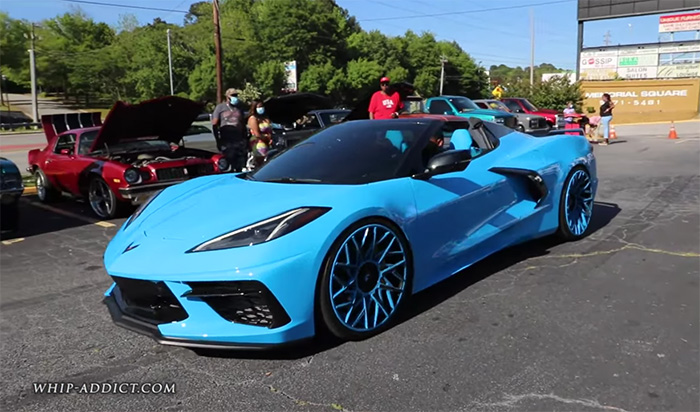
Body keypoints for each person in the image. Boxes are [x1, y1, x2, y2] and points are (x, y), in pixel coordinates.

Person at [212, 88, 248, 171]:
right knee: (228, 163)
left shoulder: (239, 107)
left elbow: (243, 123)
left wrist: (245, 138)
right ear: (227, 96)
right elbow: (215, 124)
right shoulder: (220, 108)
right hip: (227, 141)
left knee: (240, 163)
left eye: (236, 95)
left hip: (239, 140)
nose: (235, 97)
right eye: (233, 95)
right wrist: (218, 140)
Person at [247, 100, 273, 169]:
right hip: (258, 142)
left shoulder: (265, 118)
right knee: (261, 162)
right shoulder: (253, 119)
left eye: (262, 106)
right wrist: (267, 138)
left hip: (268, 142)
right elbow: (257, 134)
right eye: (259, 107)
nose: (261, 108)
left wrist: (270, 138)